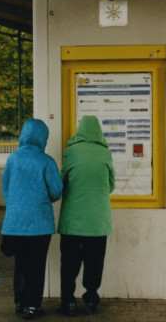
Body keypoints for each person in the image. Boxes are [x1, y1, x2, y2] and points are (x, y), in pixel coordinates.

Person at [1, 118, 63, 320]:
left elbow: (6, 189)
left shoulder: (13, 159)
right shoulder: (46, 161)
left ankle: (20, 302)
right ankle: (33, 306)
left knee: (21, 264)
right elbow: (56, 192)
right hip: (39, 224)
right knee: (36, 266)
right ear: (42, 138)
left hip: (15, 223)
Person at [56, 115, 115, 316]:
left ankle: (68, 302)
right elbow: (111, 185)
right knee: (95, 261)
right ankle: (90, 300)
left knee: (69, 262)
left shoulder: (70, 152)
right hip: (98, 222)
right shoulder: (105, 153)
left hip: (73, 220)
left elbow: (61, 182)